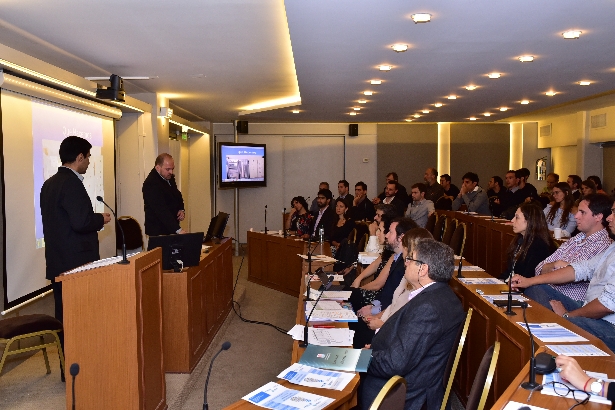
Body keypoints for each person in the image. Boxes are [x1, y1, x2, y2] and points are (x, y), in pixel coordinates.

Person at [360, 238, 465, 410]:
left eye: (411, 259)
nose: (406, 262)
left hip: (401, 393)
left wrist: (364, 357)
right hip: (410, 378)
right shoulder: (442, 294)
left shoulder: (428, 307)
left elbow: (394, 364)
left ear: (423, 269)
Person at [511, 198, 615, 352]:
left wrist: (567, 316)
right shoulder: (612, 248)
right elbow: (579, 269)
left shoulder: (605, 244)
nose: (609, 218)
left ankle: (539, 353)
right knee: (535, 289)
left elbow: (606, 305)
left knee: (559, 325)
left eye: (614, 213)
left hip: (609, 325)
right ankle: (533, 348)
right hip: (588, 308)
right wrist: (529, 281)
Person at [40, 136, 112, 332]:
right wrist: (100, 219)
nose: (89, 162)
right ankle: (78, 352)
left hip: (58, 262)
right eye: (88, 157)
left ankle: (66, 351)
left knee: (64, 317)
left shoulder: (49, 184)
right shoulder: (71, 183)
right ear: (80, 157)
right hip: (76, 265)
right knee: (79, 318)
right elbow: (81, 222)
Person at [532, 194, 613, 302]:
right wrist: (555, 265)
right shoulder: (576, 239)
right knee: (530, 289)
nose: (576, 216)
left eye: (582, 212)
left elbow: (571, 276)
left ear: (598, 217)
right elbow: (539, 268)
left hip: (571, 302)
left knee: (533, 289)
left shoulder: (604, 246)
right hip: (548, 291)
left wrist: (555, 269)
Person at [362, 228, 434, 332]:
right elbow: (394, 305)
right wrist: (376, 317)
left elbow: (407, 326)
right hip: (385, 324)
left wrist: (381, 325)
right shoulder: (408, 273)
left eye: (404, 247)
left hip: (388, 330)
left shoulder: (418, 281)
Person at [499, 203, 553, 279]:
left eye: (517, 217)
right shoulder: (520, 240)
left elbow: (529, 277)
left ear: (529, 220)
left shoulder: (539, 246)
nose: (512, 220)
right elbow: (510, 271)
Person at [142, 153, 186, 236]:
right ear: (158, 168)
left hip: (170, 228)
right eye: (168, 169)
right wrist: (178, 230)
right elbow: (161, 210)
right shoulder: (151, 183)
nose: (171, 172)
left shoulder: (169, 177)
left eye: (172, 169)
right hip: (158, 231)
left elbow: (177, 194)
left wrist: (181, 209)